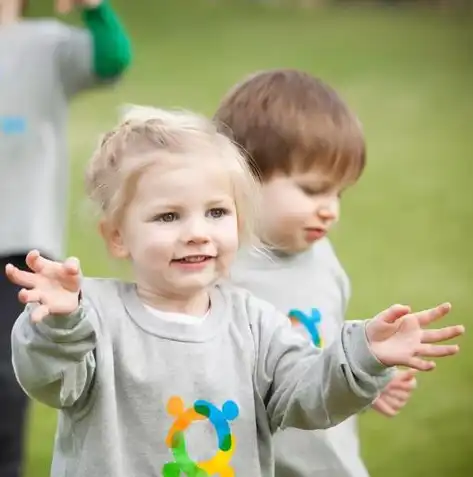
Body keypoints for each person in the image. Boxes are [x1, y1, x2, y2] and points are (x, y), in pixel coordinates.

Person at [5, 105, 463, 477]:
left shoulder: (254, 322)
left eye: (217, 213)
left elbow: (308, 397)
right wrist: (62, 325)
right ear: (118, 236)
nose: (198, 233)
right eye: (168, 216)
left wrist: (364, 356)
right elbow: (50, 381)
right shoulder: (95, 319)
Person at [214, 69, 421, 476]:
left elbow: (329, 341)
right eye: (312, 190)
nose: (331, 209)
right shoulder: (215, 269)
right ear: (243, 176)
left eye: (338, 193)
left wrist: (362, 378)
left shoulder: (321, 256)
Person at [0, 1, 131, 476]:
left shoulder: (45, 45)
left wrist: (95, 9)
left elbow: (111, 57)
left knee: (6, 376)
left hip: (19, 241)